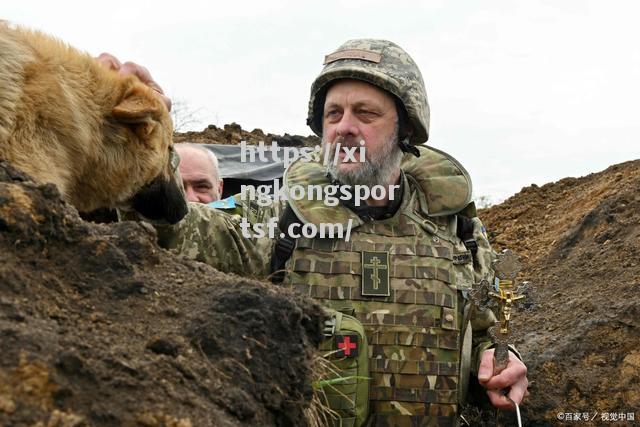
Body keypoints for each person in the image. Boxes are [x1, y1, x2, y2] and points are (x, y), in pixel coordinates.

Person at [98, 39, 528, 426]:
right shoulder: (279, 219)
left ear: (407, 130)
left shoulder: (459, 229)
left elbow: (483, 335)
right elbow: (174, 231)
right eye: (333, 114)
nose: (344, 127)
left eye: (366, 113)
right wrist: (142, 141)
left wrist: (497, 363)